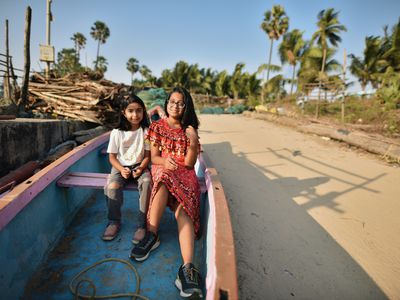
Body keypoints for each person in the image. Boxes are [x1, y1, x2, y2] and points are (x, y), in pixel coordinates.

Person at [130, 87, 203, 298]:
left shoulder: (189, 129)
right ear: (166, 103)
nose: (175, 106)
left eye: (180, 102)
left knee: (184, 206)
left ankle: (187, 268)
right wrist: (165, 161)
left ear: (186, 106)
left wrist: (194, 140)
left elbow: (189, 164)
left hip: (184, 173)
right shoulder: (157, 126)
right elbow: (154, 158)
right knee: (162, 179)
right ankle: (152, 235)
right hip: (163, 168)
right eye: (172, 101)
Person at [102, 94, 152, 243]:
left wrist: (142, 167)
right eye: (130, 111)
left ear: (143, 112)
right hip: (120, 167)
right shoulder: (117, 133)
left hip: (140, 166)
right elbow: (112, 157)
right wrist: (122, 169)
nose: (135, 115)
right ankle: (113, 221)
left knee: (148, 182)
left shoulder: (146, 132)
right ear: (124, 112)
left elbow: (148, 156)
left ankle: (142, 225)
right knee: (112, 186)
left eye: (138, 110)